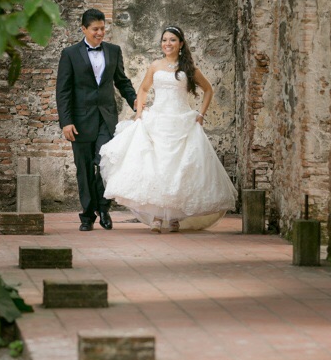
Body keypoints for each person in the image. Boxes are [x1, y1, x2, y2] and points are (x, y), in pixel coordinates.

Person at [99, 25, 237, 232]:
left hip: (182, 122)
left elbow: (208, 89)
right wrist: (139, 115)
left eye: (172, 40)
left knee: (178, 170)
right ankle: (156, 216)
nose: (167, 44)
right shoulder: (155, 65)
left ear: (181, 44)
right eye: (164, 40)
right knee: (157, 167)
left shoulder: (188, 68)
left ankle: (174, 217)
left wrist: (201, 114)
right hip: (157, 121)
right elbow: (143, 89)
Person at [55, 8, 137, 231]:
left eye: (103, 28)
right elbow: (63, 91)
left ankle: (103, 208)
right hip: (79, 121)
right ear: (83, 29)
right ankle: (87, 215)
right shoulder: (69, 54)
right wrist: (66, 122)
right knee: (83, 168)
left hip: (106, 118)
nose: (100, 33)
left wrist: (136, 102)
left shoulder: (113, 51)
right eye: (95, 29)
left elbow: (122, 82)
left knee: (104, 165)